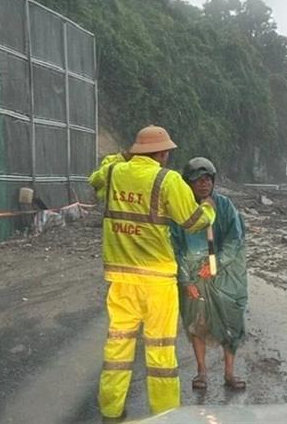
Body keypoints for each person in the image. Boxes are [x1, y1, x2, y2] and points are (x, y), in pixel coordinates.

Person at [89, 125, 216, 420]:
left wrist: (120, 156)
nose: (169, 156)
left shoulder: (112, 172)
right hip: (157, 281)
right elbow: (193, 221)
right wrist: (209, 208)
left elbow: (95, 179)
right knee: (160, 351)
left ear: (135, 150)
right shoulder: (167, 179)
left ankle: (110, 409)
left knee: (118, 347)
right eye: (167, 151)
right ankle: (164, 414)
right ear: (162, 153)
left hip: (120, 281)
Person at [170, 157, 248, 392]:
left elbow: (235, 239)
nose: (203, 184)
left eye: (207, 179)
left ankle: (229, 373)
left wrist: (217, 264)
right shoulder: (181, 210)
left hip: (224, 274)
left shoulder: (224, 206)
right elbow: (174, 246)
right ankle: (201, 371)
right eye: (197, 180)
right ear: (188, 183)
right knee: (197, 323)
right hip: (193, 274)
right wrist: (185, 279)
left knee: (230, 322)